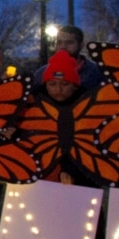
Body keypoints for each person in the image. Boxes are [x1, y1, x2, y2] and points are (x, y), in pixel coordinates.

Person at [27, 50, 99, 187]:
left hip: (80, 177)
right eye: (52, 84)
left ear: (75, 85)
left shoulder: (88, 106)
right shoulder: (34, 104)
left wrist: (70, 170)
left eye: (64, 84)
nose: (58, 89)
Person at [32, 25, 105, 92]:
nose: (63, 47)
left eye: (69, 42)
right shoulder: (41, 73)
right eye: (59, 42)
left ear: (81, 45)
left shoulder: (97, 72)